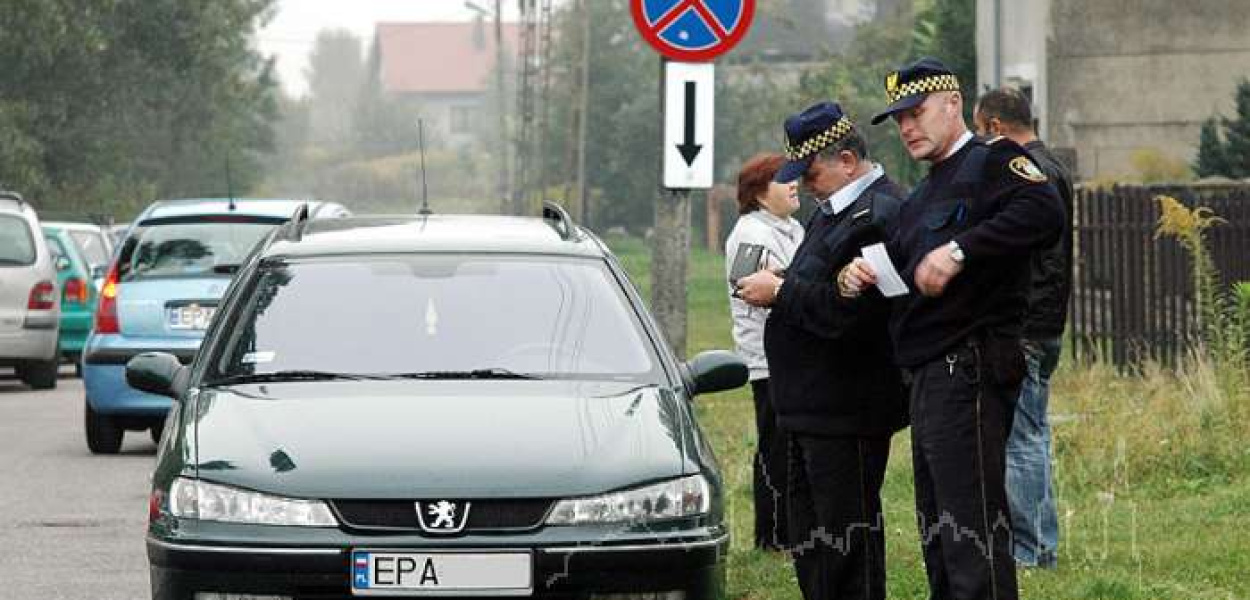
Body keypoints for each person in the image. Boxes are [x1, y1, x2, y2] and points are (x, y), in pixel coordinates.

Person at [838, 58, 1065, 600]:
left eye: (916, 113)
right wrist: (856, 274)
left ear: (952, 103)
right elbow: (900, 268)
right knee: (940, 531)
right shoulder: (921, 197)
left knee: (971, 528)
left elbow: (1045, 211)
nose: (907, 127)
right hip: (926, 376)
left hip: (969, 364)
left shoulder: (994, 160)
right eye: (899, 120)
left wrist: (961, 250)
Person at [736, 102, 908, 600]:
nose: (805, 186)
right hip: (812, 406)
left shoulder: (877, 214)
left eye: (810, 173)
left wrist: (781, 291)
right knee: (812, 538)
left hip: (847, 405)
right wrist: (785, 279)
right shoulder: (834, 210)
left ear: (847, 161)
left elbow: (852, 313)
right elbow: (823, 280)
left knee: (845, 539)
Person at [974, 87, 1075, 569]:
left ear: (995, 126)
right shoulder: (1052, 165)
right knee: (1031, 434)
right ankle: (1036, 544)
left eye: (979, 131)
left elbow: (1037, 260)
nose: (978, 142)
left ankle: (1031, 551)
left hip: (1028, 325)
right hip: (1045, 322)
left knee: (1022, 440)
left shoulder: (1028, 172)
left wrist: (1018, 326)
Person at [723, 152, 804, 551]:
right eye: (783, 179)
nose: (794, 184)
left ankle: (791, 529)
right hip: (768, 359)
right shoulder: (750, 233)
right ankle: (771, 536)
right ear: (758, 193)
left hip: (795, 354)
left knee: (793, 445)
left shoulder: (792, 228)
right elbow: (746, 285)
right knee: (775, 446)